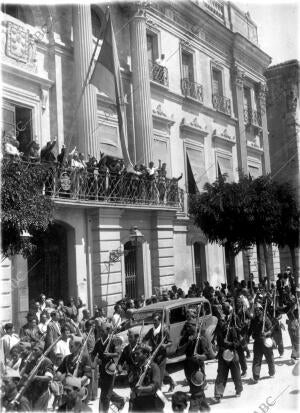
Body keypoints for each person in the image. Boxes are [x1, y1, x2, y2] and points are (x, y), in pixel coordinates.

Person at [91, 322, 125, 413]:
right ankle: (120, 400)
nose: (101, 333)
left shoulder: (113, 340)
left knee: (105, 394)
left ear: (108, 330)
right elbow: (94, 353)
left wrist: (109, 354)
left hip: (110, 369)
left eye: (103, 331)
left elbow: (118, 354)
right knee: (105, 390)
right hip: (102, 370)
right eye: (100, 331)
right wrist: (96, 360)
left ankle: (102, 410)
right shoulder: (98, 342)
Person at [213, 302, 243, 402]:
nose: (221, 323)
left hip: (232, 354)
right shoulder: (218, 330)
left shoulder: (232, 329)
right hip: (222, 354)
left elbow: (237, 343)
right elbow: (217, 341)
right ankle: (218, 394)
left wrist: (229, 343)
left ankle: (238, 390)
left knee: (236, 374)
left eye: (222, 321)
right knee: (221, 374)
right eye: (220, 321)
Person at [143, 312, 176, 392]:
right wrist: (147, 346)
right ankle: (171, 381)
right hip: (153, 355)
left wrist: (165, 345)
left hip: (161, 356)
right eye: (153, 320)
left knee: (159, 376)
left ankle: (157, 393)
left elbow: (171, 342)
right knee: (159, 372)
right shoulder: (151, 330)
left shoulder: (164, 330)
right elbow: (144, 340)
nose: (154, 322)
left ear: (159, 321)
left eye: (155, 320)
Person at [129, 346, 164, 412]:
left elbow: (155, 385)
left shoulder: (154, 367)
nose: (135, 356)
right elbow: (132, 382)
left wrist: (143, 389)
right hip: (137, 401)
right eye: (135, 354)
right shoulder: (136, 367)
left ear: (145, 355)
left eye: (138, 354)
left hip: (151, 401)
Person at [248, 302, 275, 383]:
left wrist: (266, 333)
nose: (257, 311)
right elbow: (250, 330)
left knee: (269, 358)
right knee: (257, 360)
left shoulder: (265, 319)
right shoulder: (253, 320)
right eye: (256, 310)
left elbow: (271, 329)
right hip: (257, 342)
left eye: (258, 310)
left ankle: (272, 373)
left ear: (261, 310)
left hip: (266, 341)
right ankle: (256, 377)